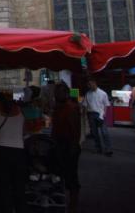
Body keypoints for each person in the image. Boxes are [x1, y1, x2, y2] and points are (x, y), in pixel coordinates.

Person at [51, 82, 81, 213]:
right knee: (60, 172)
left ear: (66, 94)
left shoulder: (70, 108)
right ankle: (61, 198)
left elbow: (74, 128)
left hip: (68, 144)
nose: (57, 95)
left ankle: (73, 203)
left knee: (71, 174)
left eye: (59, 92)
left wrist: (74, 146)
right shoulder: (58, 108)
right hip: (59, 143)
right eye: (56, 93)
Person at [82, 79, 112, 156]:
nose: (88, 86)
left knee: (104, 132)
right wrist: (85, 115)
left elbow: (106, 105)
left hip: (100, 114)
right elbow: (85, 105)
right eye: (88, 85)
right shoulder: (88, 94)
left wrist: (104, 114)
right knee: (95, 133)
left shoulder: (103, 93)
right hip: (91, 114)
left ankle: (108, 149)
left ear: (94, 83)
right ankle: (98, 148)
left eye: (89, 84)